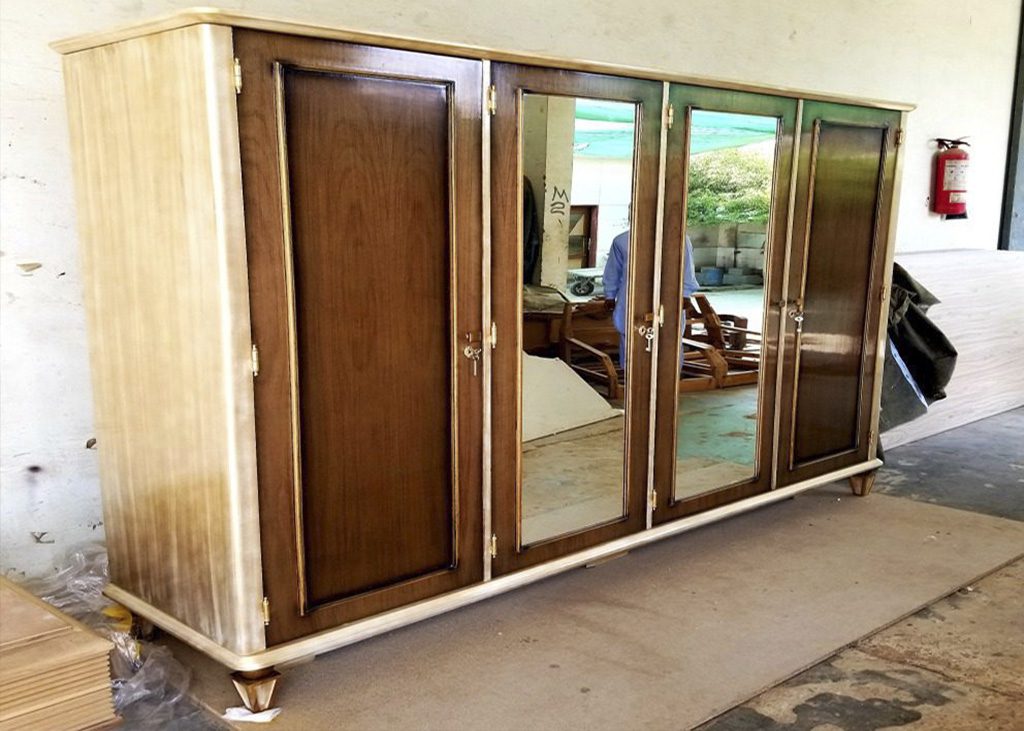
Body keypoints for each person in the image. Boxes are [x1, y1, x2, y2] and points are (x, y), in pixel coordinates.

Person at [603, 230, 698, 367]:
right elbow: (613, 272)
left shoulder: (679, 238)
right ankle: (630, 374)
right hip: (632, 300)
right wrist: (610, 296)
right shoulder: (622, 241)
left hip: (668, 300)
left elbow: (687, 269)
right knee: (631, 340)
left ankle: (669, 375)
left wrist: (685, 295)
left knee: (669, 340)